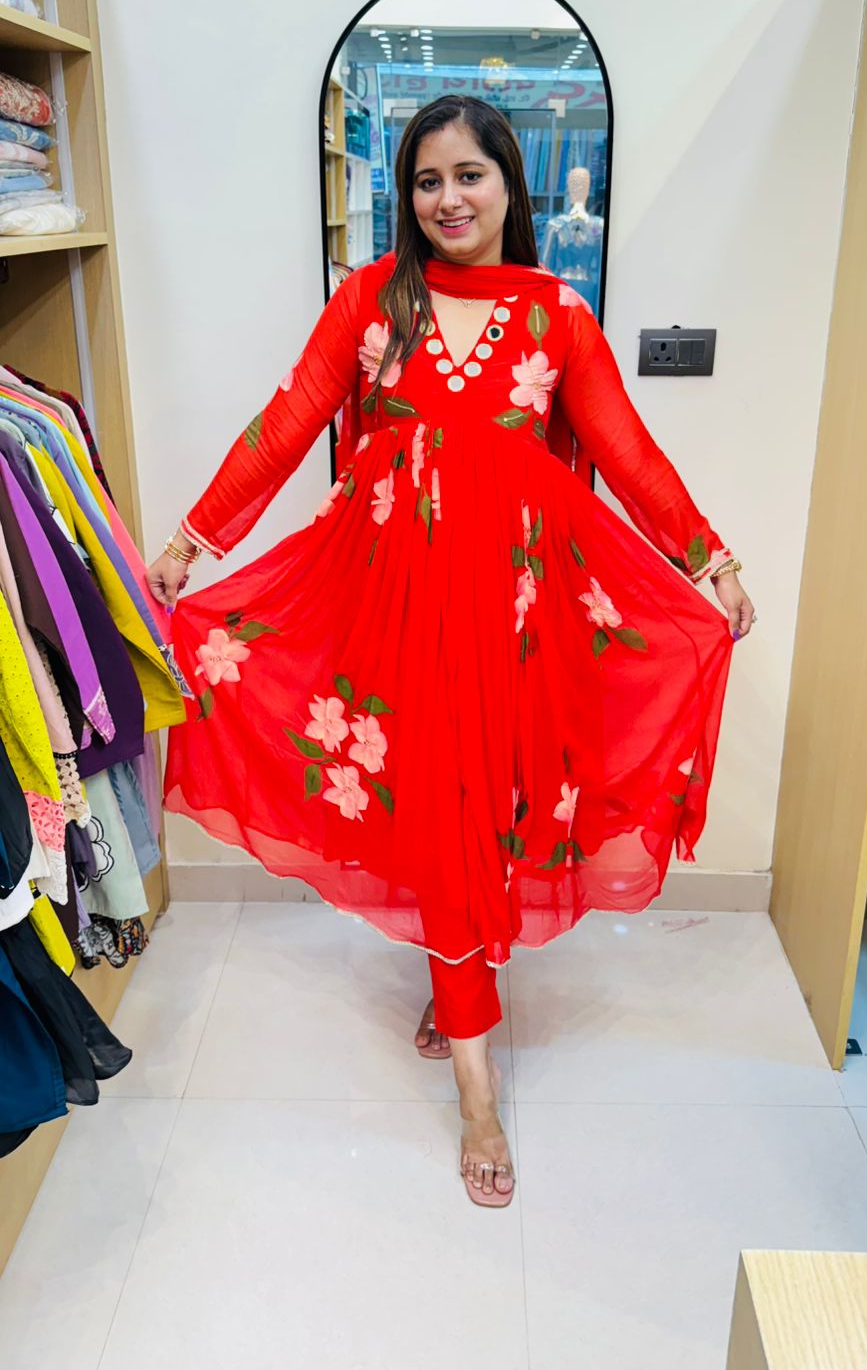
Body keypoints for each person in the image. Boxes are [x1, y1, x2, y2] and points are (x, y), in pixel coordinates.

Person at [148, 96, 755, 1210]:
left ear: (511, 185)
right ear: (406, 194)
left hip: (520, 621)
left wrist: (707, 559)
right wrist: (192, 543)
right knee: (439, 808)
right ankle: (477, 1088)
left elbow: (623, 448)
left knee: (489, 812)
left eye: (470, 175)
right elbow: (285, 425)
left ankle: (456, 974)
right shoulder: (373, 301)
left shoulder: (552, 313)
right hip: (394, 613)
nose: (449, 199)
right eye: (428, 180)